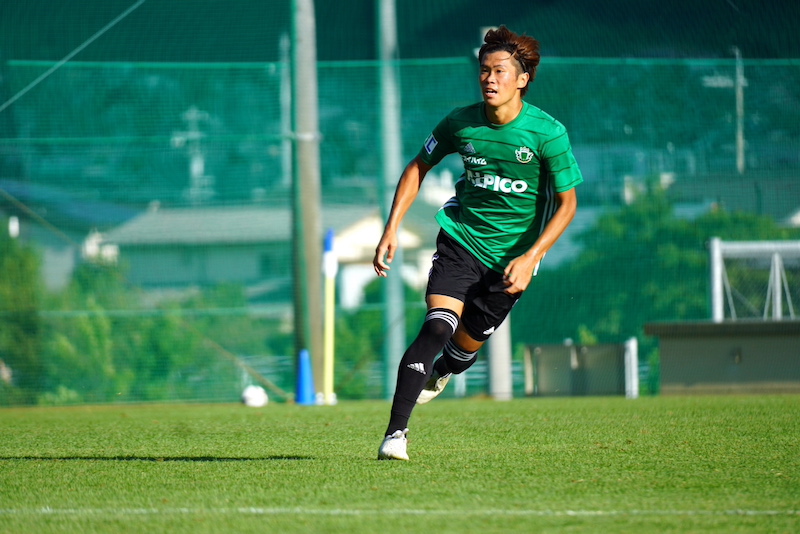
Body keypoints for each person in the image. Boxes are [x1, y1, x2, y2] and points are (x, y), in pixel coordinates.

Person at [373, 26, 583, 460]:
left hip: (513, 260)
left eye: (499, 71)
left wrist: (531, 257)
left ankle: (446, 369)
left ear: (522, 78)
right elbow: (418, 166)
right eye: (484, 71)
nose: (489, 79)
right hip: (461, 240)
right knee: (436, 327)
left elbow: (567, 205)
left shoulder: (547, 133)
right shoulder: (460, 123)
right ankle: (395, 435)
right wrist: (391, 227)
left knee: (465, 347)